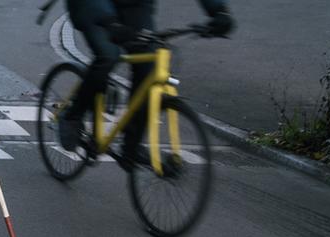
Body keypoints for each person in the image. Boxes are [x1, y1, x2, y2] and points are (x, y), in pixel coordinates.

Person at [58, 0, 235, 159]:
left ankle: (131, 145)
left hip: (135, 5)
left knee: (148, 66)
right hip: (92, 5)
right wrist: (110, 22)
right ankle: (72, 115)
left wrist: (219, 11)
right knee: (108, 56)